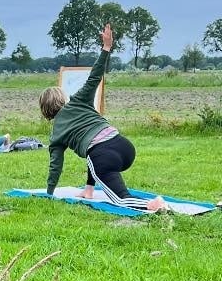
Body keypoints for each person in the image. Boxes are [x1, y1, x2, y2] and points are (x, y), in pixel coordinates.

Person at [39, 23, 165, 211]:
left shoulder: (56, 134)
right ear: (63, 99)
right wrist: (106, 48)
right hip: (124, 146)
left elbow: (55, 167)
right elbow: (94, 77)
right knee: (92, 151)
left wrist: (49, 192)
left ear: (45, 111)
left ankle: (152, 205)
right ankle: (89, 190)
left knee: (120, 200)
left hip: (104, 156)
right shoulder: (79, 101)